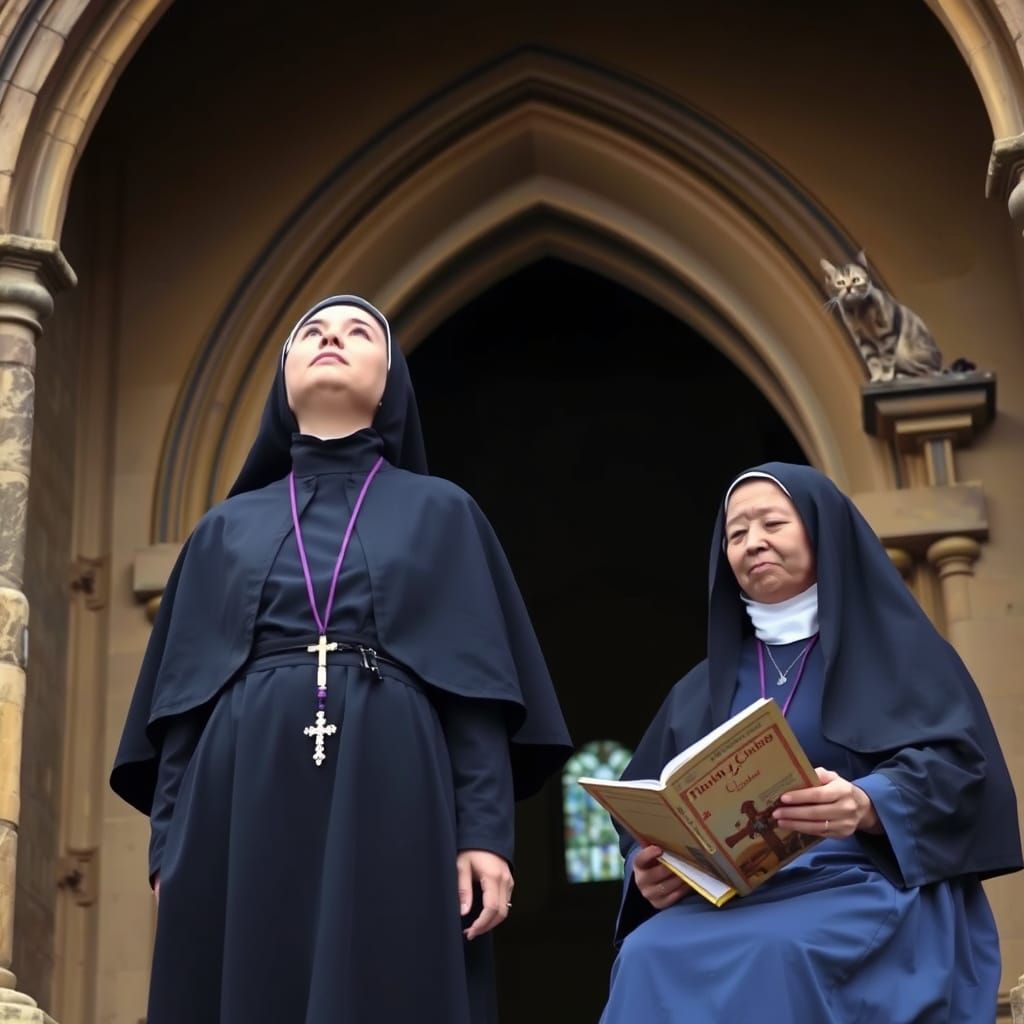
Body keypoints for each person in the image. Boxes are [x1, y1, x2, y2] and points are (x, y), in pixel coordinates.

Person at [111, 295, 572, 1024]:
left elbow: (476, 694)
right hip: (241, 794)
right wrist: (170, 847)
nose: (332, 339)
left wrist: (483, 834)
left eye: (359, 332)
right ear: (284, 376)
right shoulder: (221, 530)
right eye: (313, 334)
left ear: (389, 382)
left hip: (394, 783)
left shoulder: (443, 513)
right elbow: (180, 711)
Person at [600, 463, 1021, 1023]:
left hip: (867, 884)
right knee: (646, 954)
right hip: (740, 898)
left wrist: (870, 803)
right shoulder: (699, 688)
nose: (754, 543)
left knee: (777, 953)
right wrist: (645, 867)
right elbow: (645, 806)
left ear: (823, 531)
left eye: (773, 523)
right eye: (736, 533)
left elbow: (964, 771)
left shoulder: (902, 655)